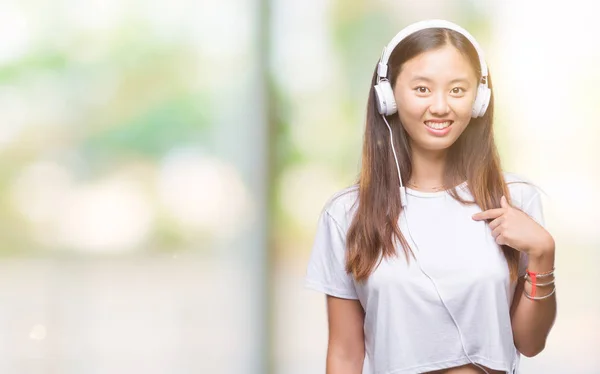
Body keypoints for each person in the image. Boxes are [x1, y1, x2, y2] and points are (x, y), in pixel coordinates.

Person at [304, 19, 557, 374]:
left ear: (479, 99)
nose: (441, 107)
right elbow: (345, 354)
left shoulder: (513, 200)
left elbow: (530, 343)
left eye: (457, 90)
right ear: (388, 96)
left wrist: (543, 254)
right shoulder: (346, 214)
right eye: (422, 89)